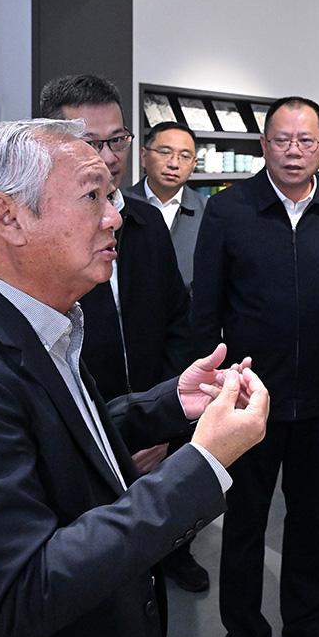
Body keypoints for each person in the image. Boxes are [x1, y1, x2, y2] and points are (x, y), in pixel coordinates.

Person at [0, 118, 269, 637]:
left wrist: (168, 404)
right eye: (92, 197)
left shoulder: (40, 326)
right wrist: (203, 462)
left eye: (111, 196)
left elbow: (56, 441)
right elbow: (26, 590)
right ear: (8, 217)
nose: (115, 216)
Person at [191, 95, 319, 637]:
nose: (294, 152)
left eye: (306, 141)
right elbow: (205, 309)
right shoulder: (229, 210)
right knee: (245, 522)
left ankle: (305, 620)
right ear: (263, 144)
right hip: (248, 399)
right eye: (281, 140)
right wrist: (213, 385)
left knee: (312, 516)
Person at [40, 75, 208, 594]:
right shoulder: (45, 235)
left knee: (162, 518)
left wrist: (161, 420)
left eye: (117, 140)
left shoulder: (146, 223)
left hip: (153, 414)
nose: (110, 157)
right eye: (91, 142)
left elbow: (177, 322)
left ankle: (175, 555)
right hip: (84, 430)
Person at [127, 120, 207, 293]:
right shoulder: (119, 205)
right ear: (143, 156)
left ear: (194, 165)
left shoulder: (208, 212)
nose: (174, 164)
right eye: (164, 152)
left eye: (185, 156)